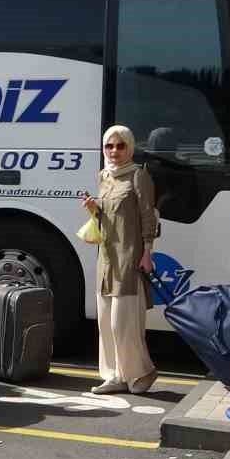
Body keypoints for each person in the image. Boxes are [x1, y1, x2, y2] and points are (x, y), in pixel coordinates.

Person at [80, 125, 160, 395]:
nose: (114, 151)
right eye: (109, 146)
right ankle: (114, 376)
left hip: (129, 258)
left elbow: (149, 217)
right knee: (105, 323)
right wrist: (95, 209)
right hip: (107, 259)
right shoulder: (104, 176)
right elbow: (108, 217)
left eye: (120, 146)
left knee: (122, 323)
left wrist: (147, 252)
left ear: (130, 147)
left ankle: (141, 373)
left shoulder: (139, 176)